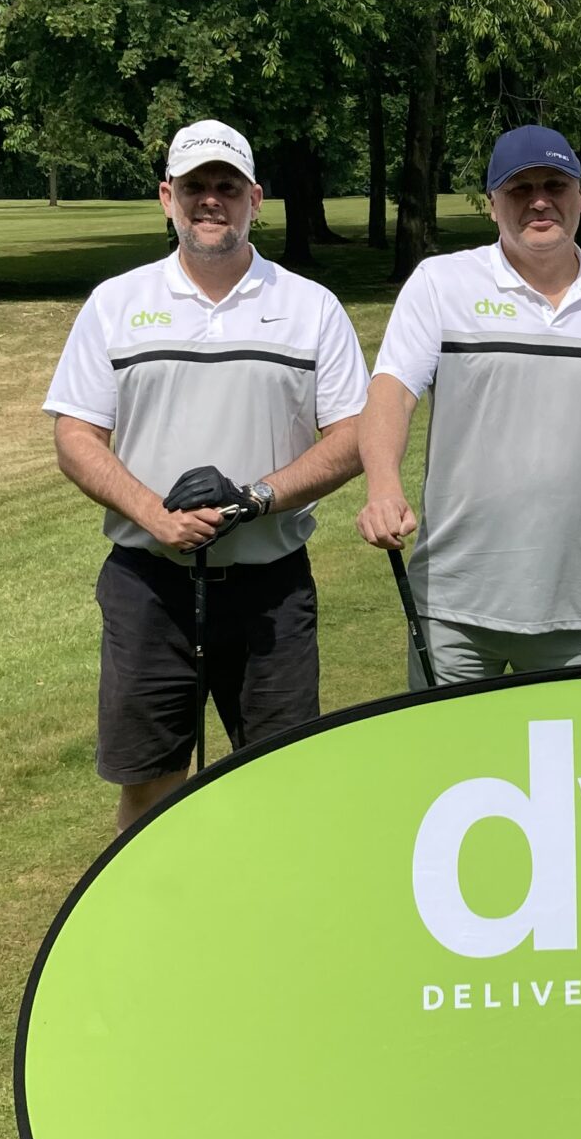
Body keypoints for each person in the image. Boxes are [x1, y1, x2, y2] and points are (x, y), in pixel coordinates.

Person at [45, 118, 369, 830]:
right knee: (151, 788)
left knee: (283, 784)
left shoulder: (310, 307)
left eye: (227, 185)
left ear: (256, 198)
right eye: (195, 187)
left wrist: (258, 499)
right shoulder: (117, 303)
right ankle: (159, 903)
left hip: (270, 587)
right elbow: (75, 435)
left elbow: (353, 436)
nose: (210, 200)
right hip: (150, 586)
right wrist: (154, 515)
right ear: (168, 198)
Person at [356, 125, 581, 685]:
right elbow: (392, 390)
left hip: (580, 609)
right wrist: (384, 485)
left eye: (555, 185)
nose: (539, 201)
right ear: (492, 205)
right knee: (451, 748)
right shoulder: (441, 283)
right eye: (519, 188)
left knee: (579, 748)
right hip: (453, 607)